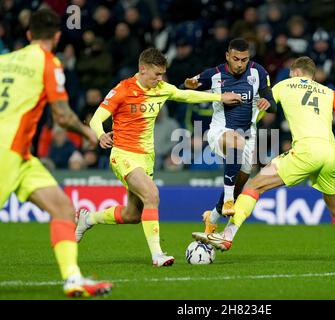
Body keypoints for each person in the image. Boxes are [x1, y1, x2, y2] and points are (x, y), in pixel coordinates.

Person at [193, 56, 335, 264]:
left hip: (305, 152)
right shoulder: (327, 92)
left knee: (254, 185)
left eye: (291, 73)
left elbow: (262, 108)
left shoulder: (285, 85)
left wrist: (247, 128)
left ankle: (227, 236)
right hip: (329, 154)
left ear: (296, 72)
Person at [75, 47, 241, 267]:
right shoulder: (123, 90)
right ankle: (157, 255)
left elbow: (187, 95)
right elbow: (96, 118)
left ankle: (87, 218)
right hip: (124, 155)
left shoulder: (161, 88)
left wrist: (220, 97)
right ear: (143, 69)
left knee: (132, 214)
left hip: (146, 159)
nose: (160, 78)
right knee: (152, 195)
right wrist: (100, 134)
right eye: (157, 74)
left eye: (162, 74)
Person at [0, 9, 112, 297]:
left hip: (22, 155)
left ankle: (73, 279)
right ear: (58, 36)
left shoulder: (5, 60)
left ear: (28, 35)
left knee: (62, 209)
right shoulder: (50, 63)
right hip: (6, 151)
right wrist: (89, 132)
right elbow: (61, 116)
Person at [183, 38, 277, 234]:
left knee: (239, 184)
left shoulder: (258, 72)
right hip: (220, 131)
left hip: (248, 136)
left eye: (244, 59)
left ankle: (213, 217)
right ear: (228, 56)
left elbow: (271, 102)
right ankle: (227, 200)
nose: (240, 64)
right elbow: (187, 88)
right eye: (236, 59)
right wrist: (189, 84)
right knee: (235, 140)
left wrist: (268, 104)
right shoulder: (214, 74)